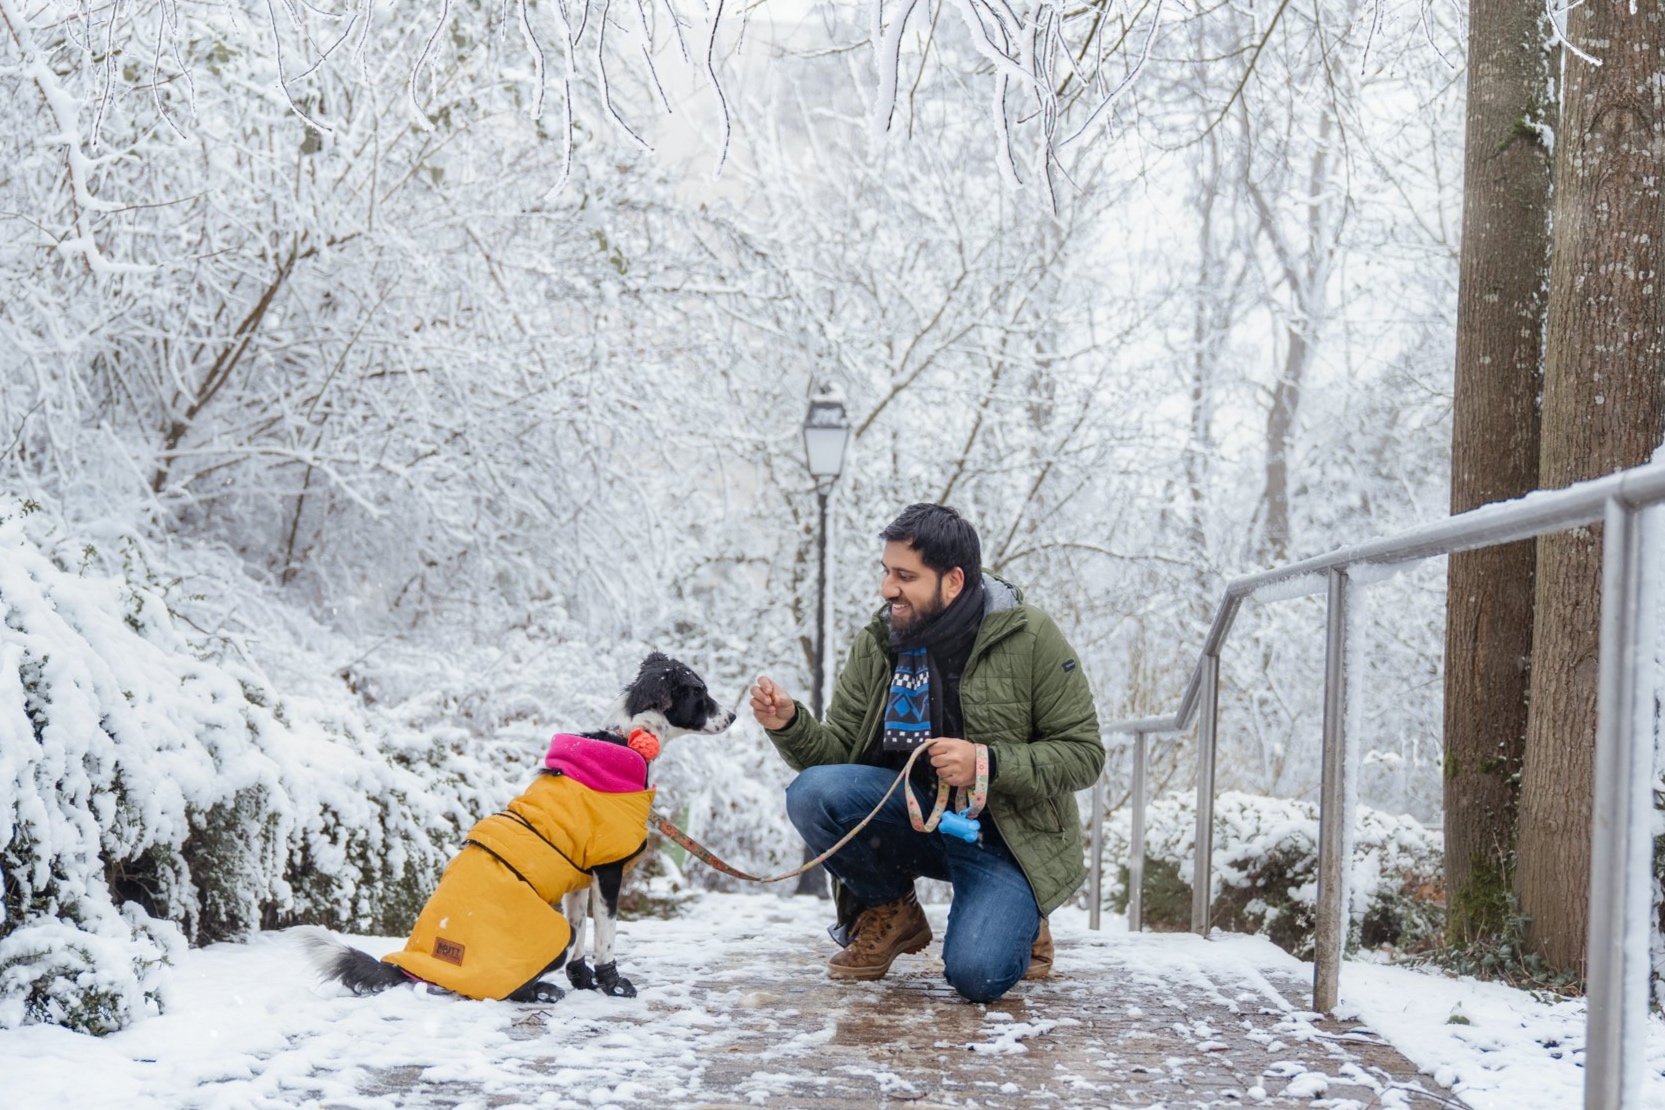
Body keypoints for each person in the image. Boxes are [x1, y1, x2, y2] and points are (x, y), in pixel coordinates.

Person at [750, 503, 1103, 1003]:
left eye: (904, 576)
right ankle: (891, 910)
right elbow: (836, 757)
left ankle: (1022, 916)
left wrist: (986, 763)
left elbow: (1083, 754)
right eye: (886, 572)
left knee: (978, 976)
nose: (886, 588)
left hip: (1004, 838)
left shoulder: (1030, 637)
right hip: (915, 821)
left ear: (953, 581)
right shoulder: (880, 643)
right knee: (813, 793)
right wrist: (789, 724)